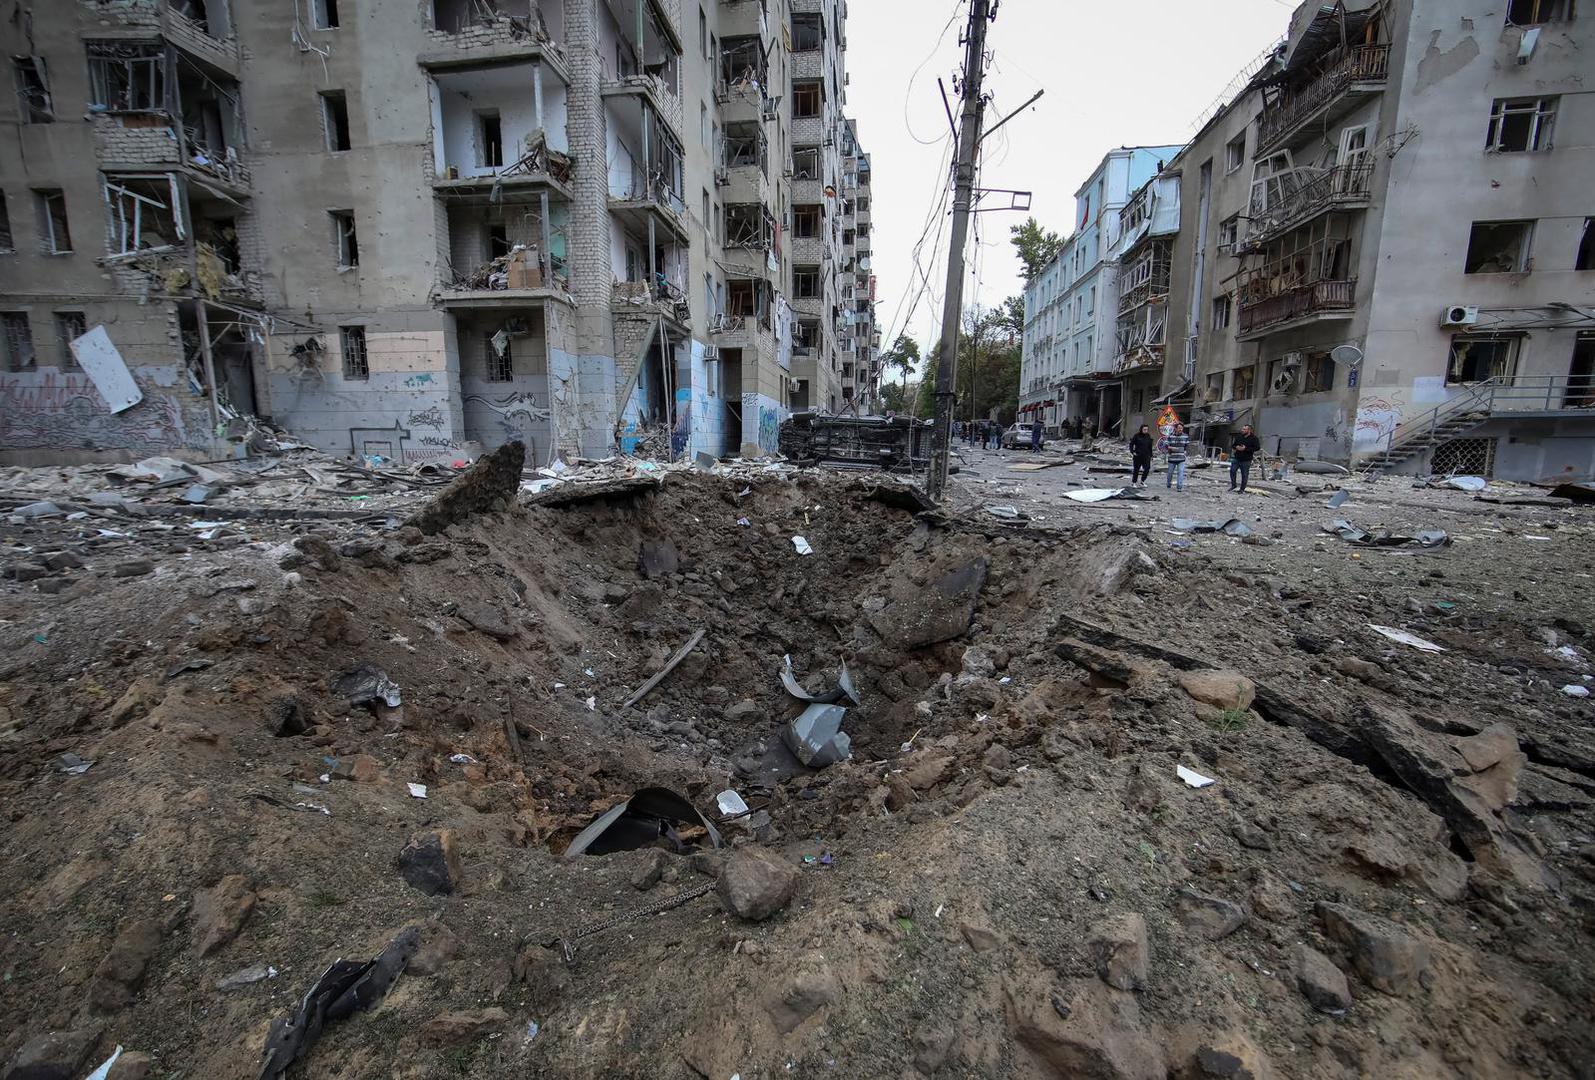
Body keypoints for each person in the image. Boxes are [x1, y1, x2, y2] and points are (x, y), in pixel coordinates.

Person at [1229, 424, 1261, 493]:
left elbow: (1257, 448)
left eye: (1244, 429)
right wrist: (1236, 447)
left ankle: (1242, 489)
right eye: (1242, 429)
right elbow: (1233, 445)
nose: (1242, 430)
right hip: (1237, 458)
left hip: (1246, 459)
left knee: (1244, 474)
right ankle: (1233, 485)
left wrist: (1245, 448)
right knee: (1232, 471)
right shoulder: (1239, 437)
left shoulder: (1254, 438)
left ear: (1249, 430)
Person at [1159, 422, 1190, 492]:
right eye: (1179, 428)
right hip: (1172, 458)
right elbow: (1165, 445)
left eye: (1181, 428)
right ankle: (1168, 484)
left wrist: (1185, 452)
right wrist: (1171, 448)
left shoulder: (1185, 436)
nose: (1180, 429)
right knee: (1170, 473)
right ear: (1175, 428)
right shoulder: (1170, 436)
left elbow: (1187, 446)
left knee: (1181, 472)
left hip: (1181, 458)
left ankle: (1179, 487)